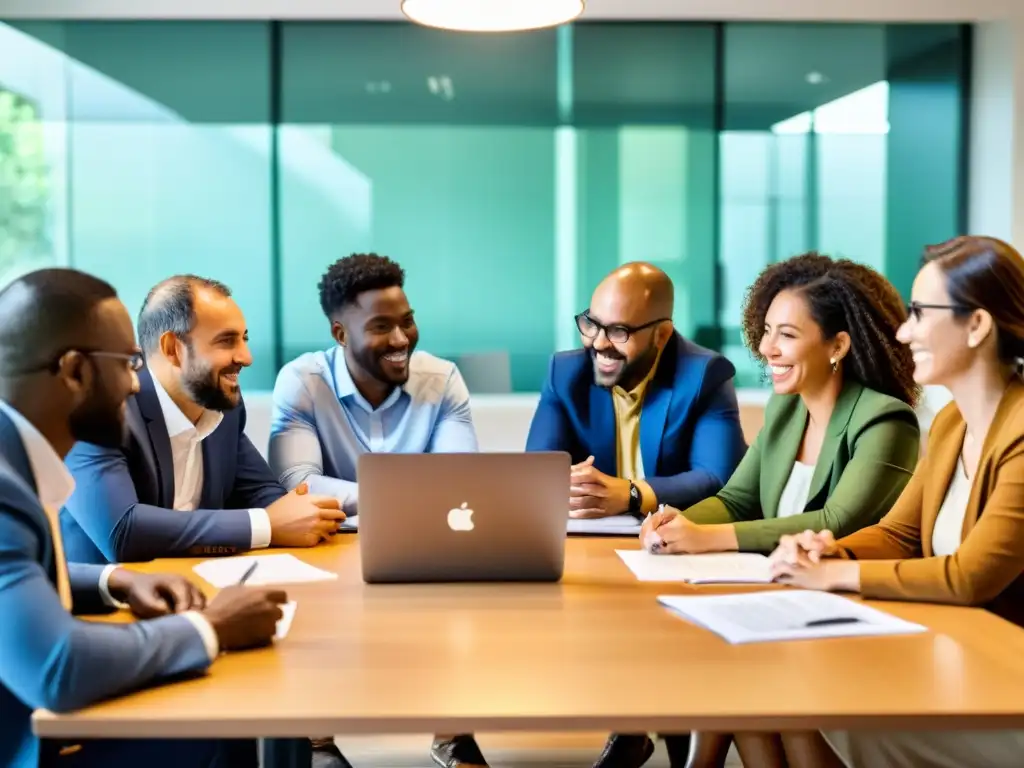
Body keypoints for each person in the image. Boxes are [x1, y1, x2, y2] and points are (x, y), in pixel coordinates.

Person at [638, 253, 922, 767]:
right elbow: (737, 500)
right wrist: (677, 523)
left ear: (838, 345)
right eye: (766, 330)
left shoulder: (886, 421)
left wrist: (708, 540)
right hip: (782, 600)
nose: (767, 347)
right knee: (735, 674)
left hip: (851, 615)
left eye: (786, 334)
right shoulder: (785, 407)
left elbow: (838, 523)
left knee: (753, 681)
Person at [0, 268, 287, 768]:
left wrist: (117, 581)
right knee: (220, 729)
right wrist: (209, 627)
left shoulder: (15, 456)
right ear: (75, 372)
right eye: (130, 363)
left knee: (232, 723)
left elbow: (21, 576)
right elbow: (58, 670)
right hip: (29, 742)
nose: (136, 385)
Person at [59, 274, 349, 768]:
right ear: (173, 348)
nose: (246, 357)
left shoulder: (223, 410)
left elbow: (264, 493)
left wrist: (306, 512)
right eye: (227, 342)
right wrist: (267, 525)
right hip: (114, 621)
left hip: (200, 600)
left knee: (290, 660)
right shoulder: (106, 410)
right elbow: (123, 531)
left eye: (246, 338)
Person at [769, 236, 1024, 768]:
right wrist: (828, 551)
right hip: (964, 658)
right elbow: (900, 535)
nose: (903, 331)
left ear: (977, 325)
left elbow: (970, 576)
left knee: (822, 695)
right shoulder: (953, 422)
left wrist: (838, 577)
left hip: (1006, 686)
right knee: (796, 683)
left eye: (919, 314)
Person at [525, 262, 746, 768]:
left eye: (619, 331)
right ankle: (631, 726)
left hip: (675, 542)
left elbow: (720, 476)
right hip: (593, 547)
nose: (599, 343)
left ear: (662, 333)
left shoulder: (704, 374)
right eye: (592, 324)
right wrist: (563, 483)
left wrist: (631, 493)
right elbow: (536, 468)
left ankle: (652, 734)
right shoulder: (566, 370)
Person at [269, 253, 485, 768]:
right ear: (341, 333)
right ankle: (316, 742)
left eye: (407, 321)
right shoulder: (302, 382)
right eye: (381, 327)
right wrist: (406, 492)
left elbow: (461, 484)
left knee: (467, 585)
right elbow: (297, 486)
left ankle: (454, 733)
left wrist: (380, 497)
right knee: (304, 587)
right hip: (329, 541)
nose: (401, 339)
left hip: (423, 543)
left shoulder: (442, 379)